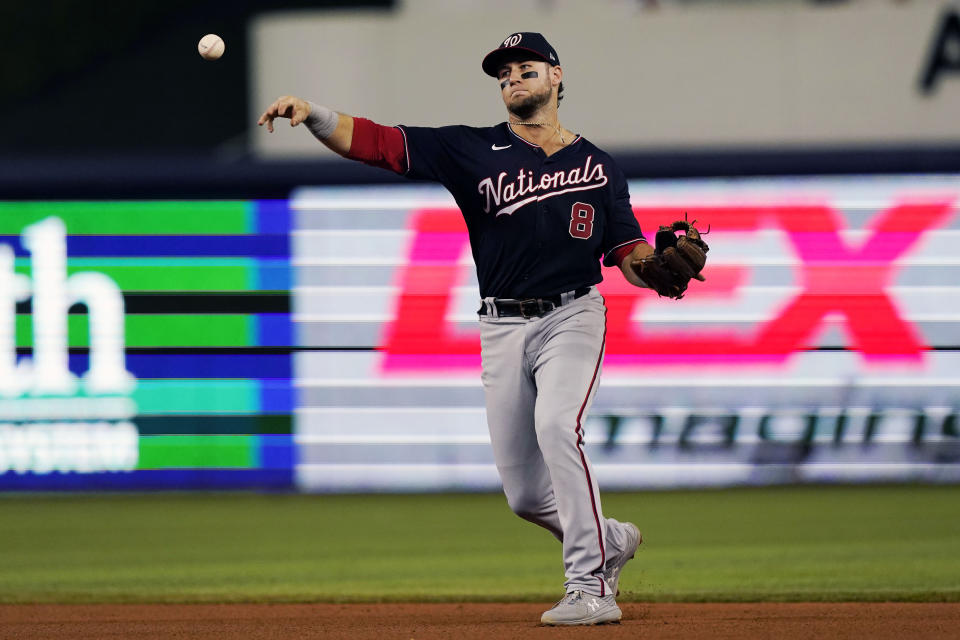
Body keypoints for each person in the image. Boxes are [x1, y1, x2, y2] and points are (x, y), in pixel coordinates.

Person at [259, 32, 653, 626]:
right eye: (503, 73)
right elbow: (378, 144)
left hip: (573, 314)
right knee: (524, 496)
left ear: (556, 75)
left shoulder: (598, 166)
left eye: (525, 67)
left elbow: (630, 254)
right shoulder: (470, 149)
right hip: (501, 324)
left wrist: (660, 265)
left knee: (557, 426)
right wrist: (313, 113)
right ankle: (609, 538)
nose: (512, 78)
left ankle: (590, 586)